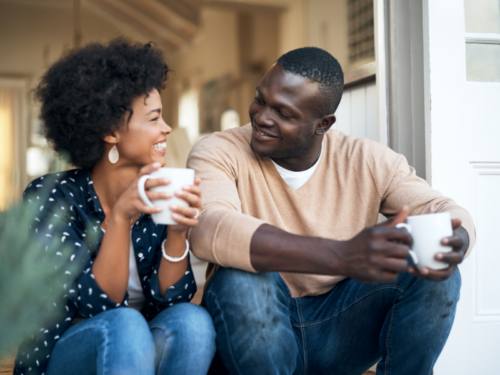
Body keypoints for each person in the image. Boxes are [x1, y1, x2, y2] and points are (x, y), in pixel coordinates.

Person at [187, 47, 476, 375]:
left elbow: (442, 209)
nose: (263, 116)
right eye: (261, 100)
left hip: (339, 329)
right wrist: (341, 255)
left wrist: (456, 240)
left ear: (322, 124)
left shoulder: (366, 159)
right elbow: (208, 228)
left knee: (433, 261)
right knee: (240, 278)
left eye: (284, 113)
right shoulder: (219, 151)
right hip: (255, 329)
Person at [14, 39, 216, 375]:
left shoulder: (158, 193)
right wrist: (121, 217)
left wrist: (178, 233)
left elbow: (171, 301)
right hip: (65, 356)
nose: (166, 128)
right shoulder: (53, 198)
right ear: (111, 131)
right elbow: (99, 305)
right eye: (154, 118)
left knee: (192, 321)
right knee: (123, 324)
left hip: (133, 356)